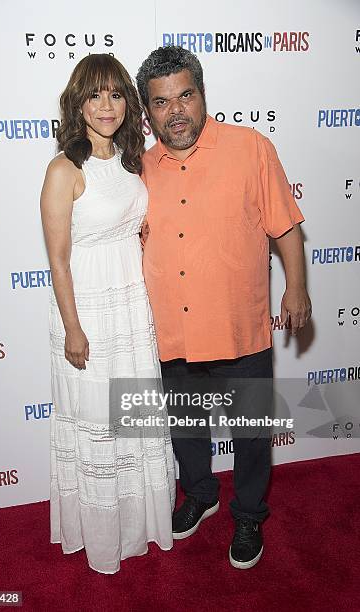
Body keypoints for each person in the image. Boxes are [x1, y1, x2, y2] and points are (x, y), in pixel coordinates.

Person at [136, 46, 311, 569]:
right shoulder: (140, 168)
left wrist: (296, 288)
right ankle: (200, 492)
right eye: (162, 102)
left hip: (239, 323)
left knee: (251, 431)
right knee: (184, 424)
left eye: (185, 95)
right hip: (172, 326)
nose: (177, 111)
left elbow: (286, 226)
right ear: (148, 113)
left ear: (202, 94)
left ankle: (250, 513)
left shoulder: (251, 148)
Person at [40, 53, 175, 575]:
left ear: (129, 103)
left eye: (116, 93)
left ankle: (138, 521)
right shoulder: (63, 169)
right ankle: (100, 536)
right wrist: (74, 328)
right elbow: (57, 258)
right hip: (89, 312)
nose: (106, 105)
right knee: (99, 419)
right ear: (78, 103)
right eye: (95, 94)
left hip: (130, 306)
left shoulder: (128, 161)